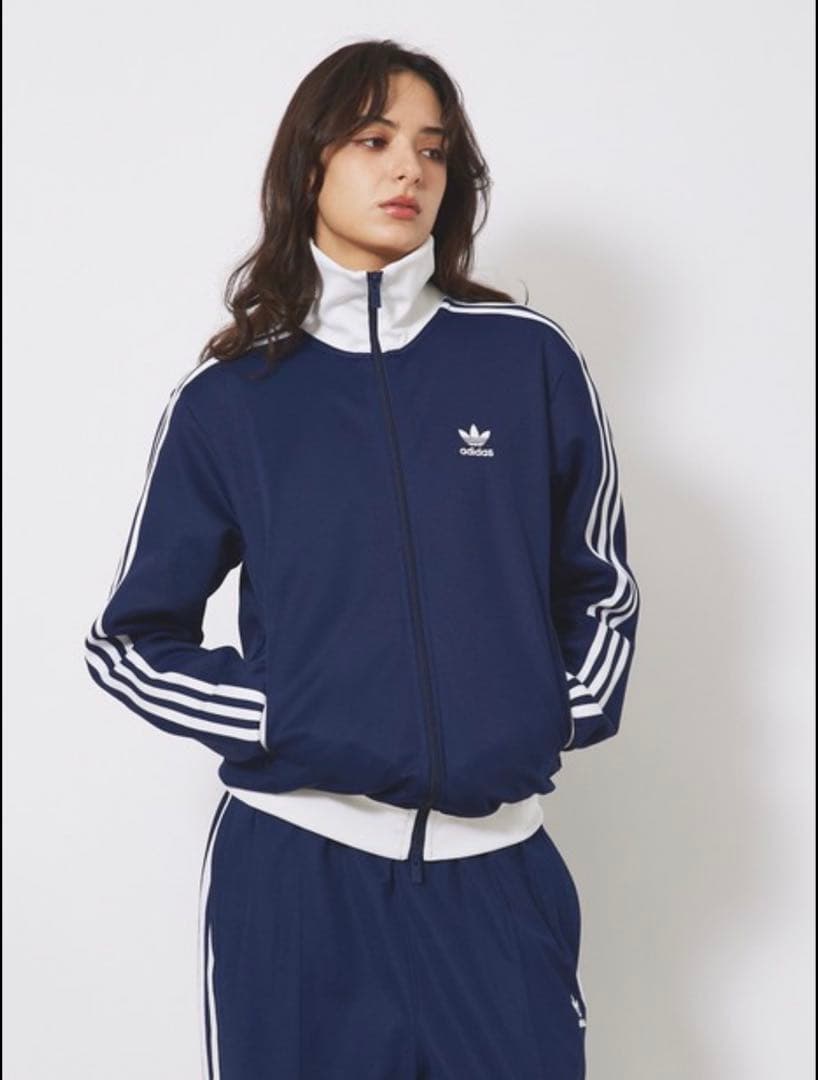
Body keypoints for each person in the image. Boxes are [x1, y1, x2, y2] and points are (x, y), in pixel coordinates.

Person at [84, 37, 640, 1080]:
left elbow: (600, 586)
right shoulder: (231, 401)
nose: (408, 171)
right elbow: (127, 640)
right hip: (296, 879)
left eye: (432, 149)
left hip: (495, 876)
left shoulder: (526, 360)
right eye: (374, 140)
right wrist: (278, 716)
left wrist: (542, 711)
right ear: (310, 166)